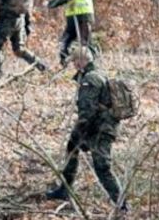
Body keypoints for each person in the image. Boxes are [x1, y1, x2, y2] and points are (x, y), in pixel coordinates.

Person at [45, 46, 124, 208]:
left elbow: (87, 110)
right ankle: (64, 190)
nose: (73, 64)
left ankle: (122, 205)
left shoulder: (90, 79)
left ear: (82, 61)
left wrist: (81, 131)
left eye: (75, 60)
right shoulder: (98, 74)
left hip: (100, 130)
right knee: (72, 148)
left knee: (102, 167)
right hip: (100, 127)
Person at [46, 0, 95, 67]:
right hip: (84, 15)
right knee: (85, 44)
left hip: (79, 16)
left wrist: (51, 4)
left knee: (68, 43)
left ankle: (65, 65)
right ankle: (85, 66)